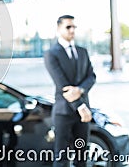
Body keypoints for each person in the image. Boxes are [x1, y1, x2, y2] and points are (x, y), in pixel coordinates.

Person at [44, 15, 96, 167]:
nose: (72, 30)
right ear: (58, 29)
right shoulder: (51, 54)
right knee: (62, 158)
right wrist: (81, 107)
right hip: (64, 113)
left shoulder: (82, 51)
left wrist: (80, 90)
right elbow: (63, 86)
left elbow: (91, 76)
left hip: (83, 114)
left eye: (74, 27)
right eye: (68, 27)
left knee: (82, 157)